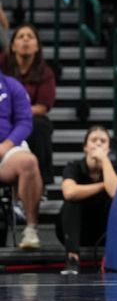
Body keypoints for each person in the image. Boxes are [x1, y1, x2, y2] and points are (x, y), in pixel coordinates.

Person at [58, 126, 117, 275]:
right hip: (77, 230)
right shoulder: (74, 166)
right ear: (85, 147)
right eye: (94, 140)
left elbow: (114, 191)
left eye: (103, 141)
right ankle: (72, 258)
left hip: (102, 232)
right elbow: (69, 192)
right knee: (71, 202)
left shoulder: (114, 168)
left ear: (108, 148)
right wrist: (102, 185)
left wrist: (104, 160)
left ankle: (115, 259)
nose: (98, 144)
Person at [2, 24, 55, 185]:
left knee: (40, 127)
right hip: (3, 115)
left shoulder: (45, 72)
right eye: (20, 36)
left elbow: (43, 106)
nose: (25, 39)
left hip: (29, 117)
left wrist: (20, 113)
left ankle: (41, 181)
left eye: (30, 37)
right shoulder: (2, 65)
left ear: (37, 46)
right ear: (12, 46)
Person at [0, 68, 42, 249]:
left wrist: (6, 146)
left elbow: (25, 121)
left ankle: (30, 229)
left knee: (29, 162)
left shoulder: (11, 85)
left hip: (5, 151)